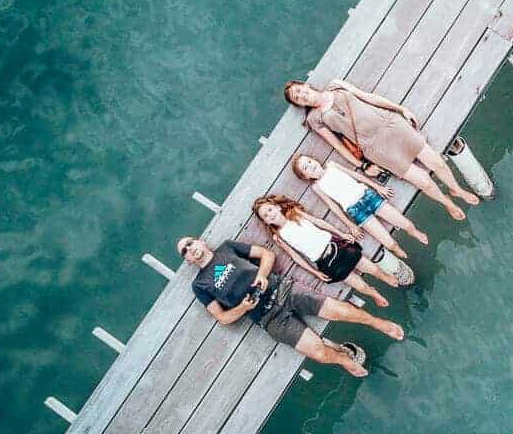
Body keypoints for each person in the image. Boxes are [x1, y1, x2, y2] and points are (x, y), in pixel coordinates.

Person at [177, 237, 405, 377]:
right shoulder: (199, 285)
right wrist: (243, 308)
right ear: (187, 260)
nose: (189, 249)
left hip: (283, 289)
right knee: (316, 351)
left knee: (340, 311)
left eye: (190, 243)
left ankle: (379, 323)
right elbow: (223, 318)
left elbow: (266, 254)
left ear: (201, 242)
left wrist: (263, 275)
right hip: (267, 317)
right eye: (184, 251)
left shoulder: (227, 248)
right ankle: (344, 360)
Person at [283, 78, 479, 221]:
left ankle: (457, 190)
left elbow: (367, 97)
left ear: (306, 85)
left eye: (300, 90)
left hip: (390, 124)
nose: (302, 95)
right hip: (374, 147)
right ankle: (447, 203)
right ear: (300, 104)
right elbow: (337, 145)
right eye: (297, 98)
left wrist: (400, 109)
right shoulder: (314, 119)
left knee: (436, 162)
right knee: (423, 181)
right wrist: (362, 165)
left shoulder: (335, 85)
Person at [252, 194, 399, 307]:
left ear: (277, 207)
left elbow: (320, 223)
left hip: (336, 245)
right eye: (266, 215)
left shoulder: (295, 213)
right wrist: (314, 272)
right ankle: (373, 293)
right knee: (359, 285)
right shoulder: (279, 237)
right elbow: (295, 257)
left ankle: (385, 277)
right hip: (324, 261)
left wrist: (342, 234)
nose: (270, 214)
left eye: (270, 209)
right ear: (266, 222)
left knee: (372, 268)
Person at [291, 153, 428, 260]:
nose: (310, 165)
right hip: (356, 211)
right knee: (389, 243)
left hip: (368, 196)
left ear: (314, 159)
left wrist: (377, 187)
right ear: (306, 176)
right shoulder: (317, 187)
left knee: (406, 224)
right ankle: (396, 248)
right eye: (305, 168)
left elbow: (356, 175)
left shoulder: (331, 165)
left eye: (309, 161)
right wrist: (350, 225)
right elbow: (333, 206)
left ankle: (413, 231)